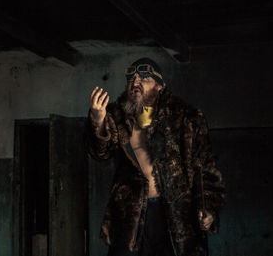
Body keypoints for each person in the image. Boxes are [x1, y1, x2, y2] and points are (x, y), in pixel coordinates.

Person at [85, 58, 226, 256]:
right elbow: (100, 152)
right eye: (132, 79)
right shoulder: (117, 116)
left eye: (144, 79)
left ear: (160, 86)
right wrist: (99, 122)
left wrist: (209, 207)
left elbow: (206, 166)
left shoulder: (185, 118)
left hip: (175, 214)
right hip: (130, 215)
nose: (136, 82)